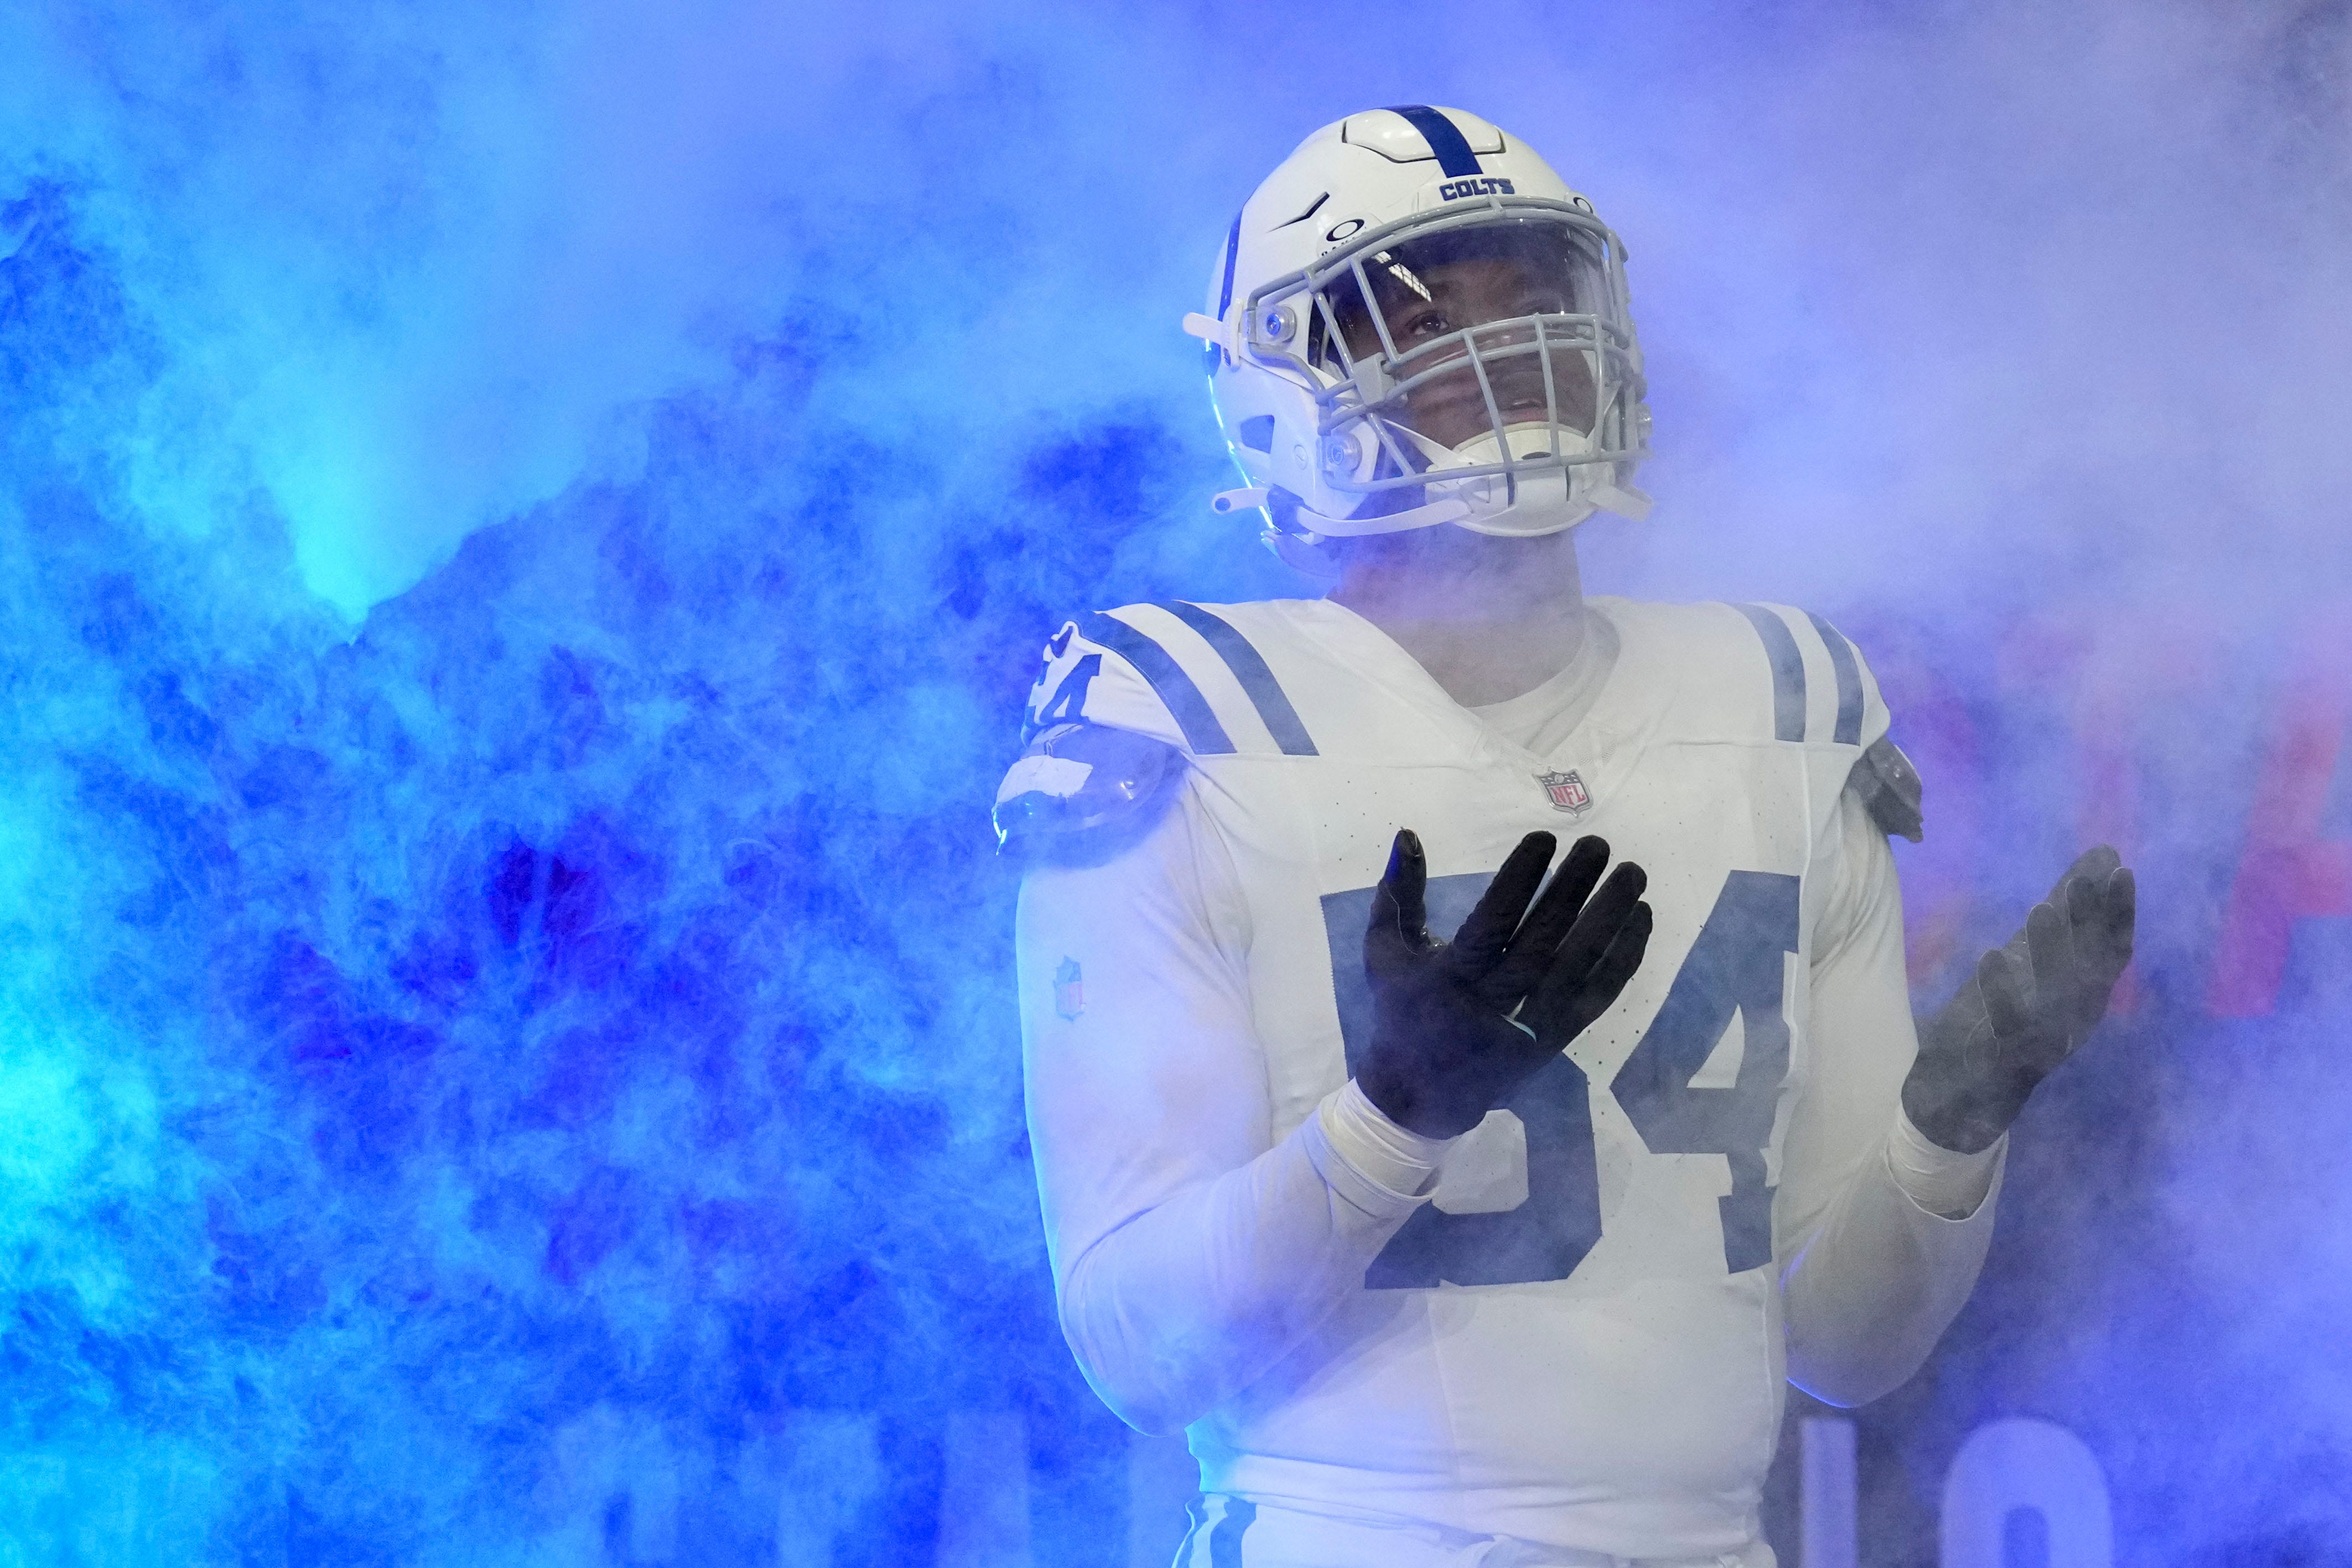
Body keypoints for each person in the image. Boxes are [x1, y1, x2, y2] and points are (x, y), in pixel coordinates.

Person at [995, 105, 2135, 1568]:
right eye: (1427, 316)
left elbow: (1847, 1345)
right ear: (1284, 388)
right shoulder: (1180, 721)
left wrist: (1948, 1130)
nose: (1512, 347)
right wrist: (1392, 1118)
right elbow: (1138, 1350)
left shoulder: (1781, 701)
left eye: (1535, 294)